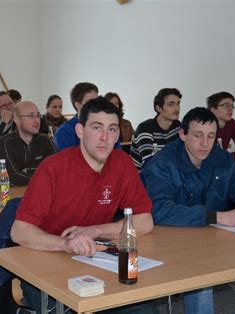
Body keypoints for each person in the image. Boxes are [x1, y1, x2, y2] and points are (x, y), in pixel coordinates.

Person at [11, 97, 155, 313]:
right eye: (97, 127)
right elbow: (19, 232)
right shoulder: (53, 168)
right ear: (80, 131)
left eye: (112, 129)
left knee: (144, 309)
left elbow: (144, 222)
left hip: (95, 260)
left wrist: (94, 231)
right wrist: (65, 244)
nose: (105, 137)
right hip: (46, 261)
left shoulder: (122, 164)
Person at [141, 107, 235, 314]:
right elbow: (158, 210)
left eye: (211, 136)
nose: (205, 144)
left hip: (213, 239)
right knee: (201, 277)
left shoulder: (221, 159)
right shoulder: (162, 163)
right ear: (182, 134)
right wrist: (217, 217)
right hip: (172, 243)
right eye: (197, 136)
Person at [0, 101, 56, 186]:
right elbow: (13, 178)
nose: (37, 120)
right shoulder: (3, 143)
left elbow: (57, 170)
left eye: (38, 116)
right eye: (31, 116)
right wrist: (43, 173)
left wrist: (28, 170)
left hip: (40, 191)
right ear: (17, 120)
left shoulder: (45, 140)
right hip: (7, 196)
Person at [130, 88, 181, 171]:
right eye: (171, 104)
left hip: (169, 175)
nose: (177, 108)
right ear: (159, 108)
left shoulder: (178, 127)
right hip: (142, 177)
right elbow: (150, 164)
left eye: (178, 104)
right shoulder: (145, 129)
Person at [207, 91, 235, 161]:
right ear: (213, 110)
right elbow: (208, 158)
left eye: (232, 106)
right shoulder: (204, 125)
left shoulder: (232, 123)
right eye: (226, 105)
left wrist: (225, 156)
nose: (231, 109)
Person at [54, 82, 98, 150]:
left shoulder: (106, 127)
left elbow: (117, 156)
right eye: (91, 102)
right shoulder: (64, 132)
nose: (96, 105)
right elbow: (70, 159)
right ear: (77, 105)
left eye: (97, 101)